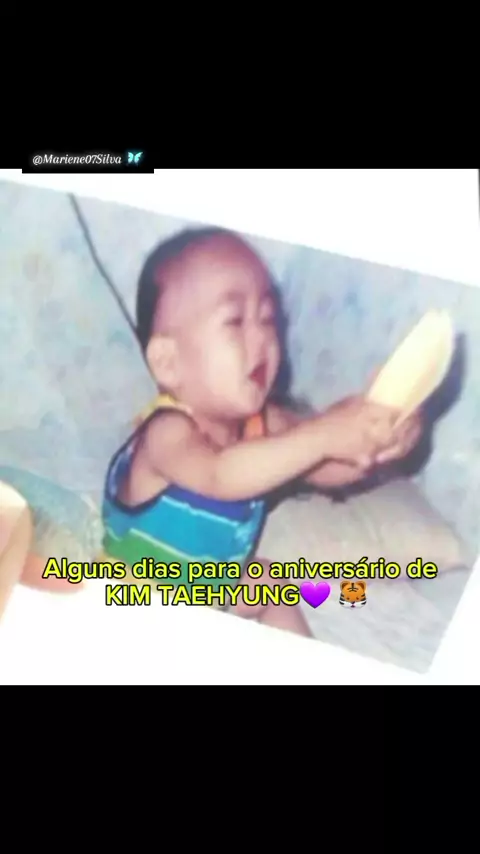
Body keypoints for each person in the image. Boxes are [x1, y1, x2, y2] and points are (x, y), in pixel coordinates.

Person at [102, 228, 423, 637]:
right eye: (235, 321)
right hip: (137, 592)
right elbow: (221, 475)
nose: (262, 337)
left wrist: (375, 440)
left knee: (273, 584)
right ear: (169, 362)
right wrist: (324, 433)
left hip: (212, 584)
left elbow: (326, 467)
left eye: (268, 319)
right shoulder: (165, 433)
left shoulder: (262, 423)